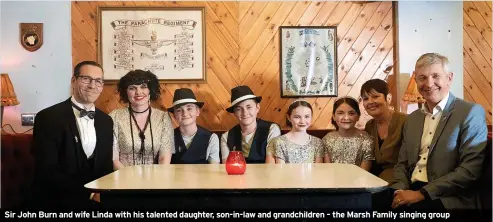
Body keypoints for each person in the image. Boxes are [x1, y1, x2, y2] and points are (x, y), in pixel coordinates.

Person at [387, 53, 487, 211]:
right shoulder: (412, 119)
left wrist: (422, 193)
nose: (429, 83)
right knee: (365, 207)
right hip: (411, 189)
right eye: (422, 77)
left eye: (435, 76)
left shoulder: (470, 113)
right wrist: (399, 191)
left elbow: (470, 170)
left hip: (450, 197)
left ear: (449, 78)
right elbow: (402, 164)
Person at [31, 61, 113, 208]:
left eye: (98, 81)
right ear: (74, 81)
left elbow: (105, 167)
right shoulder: (48, 117)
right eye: (86, 79)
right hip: (57, 201)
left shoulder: (106, 121)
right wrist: (88, 194)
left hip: (97, 202)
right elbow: (47, 169)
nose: (92, 86)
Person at [110, 70, 174, 169]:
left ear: (150, 90)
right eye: (132, 88)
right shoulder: (114, 117)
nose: (138, 92)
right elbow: (114, 159)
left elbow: (164, 158)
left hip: (156, 179)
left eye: (143, 86)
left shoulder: (164, 118)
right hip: (123, 179)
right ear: (125, 92)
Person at [361, 79, 407, 183]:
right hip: (376, 178)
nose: (370, 102)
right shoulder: (369, 125)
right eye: (365, 98)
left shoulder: (405, 121)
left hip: (401, 179)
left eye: (375, 96)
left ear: (388, 98)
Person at [220, 85, 281, 163]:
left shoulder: (271, 129)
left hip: (265, 174)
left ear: (257, 108)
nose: (245, 113)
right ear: (234, 113)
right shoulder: (226, 137)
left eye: (249, 107)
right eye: (238, 109)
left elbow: (270, 166)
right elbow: (227, 166)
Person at [168, 88, 220, 164]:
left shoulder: (211, 138)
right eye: (179, 110)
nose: (184, 113)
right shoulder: (167, 137)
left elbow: (214, 170)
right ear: (174, 115)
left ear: (197, 111)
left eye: (189, 109)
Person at [323, 97, 374, 171]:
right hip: (333, 181)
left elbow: (364, 173)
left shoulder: (366, 140)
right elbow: (328, 171)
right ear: (334, 116)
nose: (346, 118)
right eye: (340, 113)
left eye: (351, 113)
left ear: (358, 116)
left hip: (359, 181)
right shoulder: (327, 139)